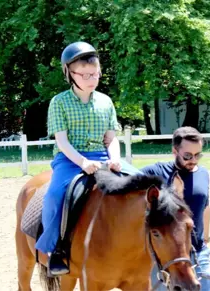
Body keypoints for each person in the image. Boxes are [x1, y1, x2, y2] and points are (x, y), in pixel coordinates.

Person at [35, 41, 138, 276]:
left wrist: (114, 158)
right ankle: (55, 249)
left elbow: (111, 138)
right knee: (55, 195)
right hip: (69, 159)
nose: (93, 79)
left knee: (143, 184)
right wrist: (83, 162)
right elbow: (62, 141)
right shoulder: (59, 102)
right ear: (70, 74)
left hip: (103, 156)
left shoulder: (105, 101)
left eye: (96, 73)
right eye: (86, 74)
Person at [140, 126, 210, 291]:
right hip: (166, 257)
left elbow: (205, 207)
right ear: (175, 151)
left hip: (197, 252)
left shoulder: (203, 174)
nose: (193, 160)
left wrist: (206, 238)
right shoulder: (155, 172)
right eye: (187, 155)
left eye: (198, 155)